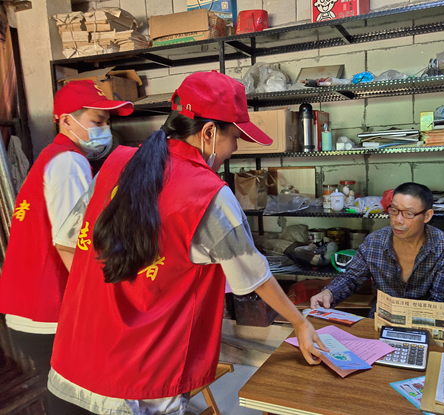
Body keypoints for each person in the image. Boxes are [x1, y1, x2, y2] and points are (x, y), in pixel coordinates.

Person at [47, 71, 325, 415]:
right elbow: (256, 277)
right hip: (136, 390)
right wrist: (300, 323)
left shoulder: (115, 164)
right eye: (234, 137)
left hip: (70, 369)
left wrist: (106, 300)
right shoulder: (209, 194)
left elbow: (67, 243)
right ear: (209, 133)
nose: (236, 148)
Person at [0, 80, 133, 396]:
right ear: (66, 120)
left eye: (107, 122)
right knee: (82, 400)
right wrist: (100, 304)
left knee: (65, 396)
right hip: (50, 310)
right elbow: (71, 243)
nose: (105, 129)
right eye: (97, 121)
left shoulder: (54, 156)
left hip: (28, 310)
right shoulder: (69, 163)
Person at [310, 182, 444, 317]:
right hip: (381, 322)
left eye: (408, 214)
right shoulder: (374, 242)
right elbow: (351, 278)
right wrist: (328, 293)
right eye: (394, 211)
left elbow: (440, 301)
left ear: (427, 216)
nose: (398, 220)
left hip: (424, 324)